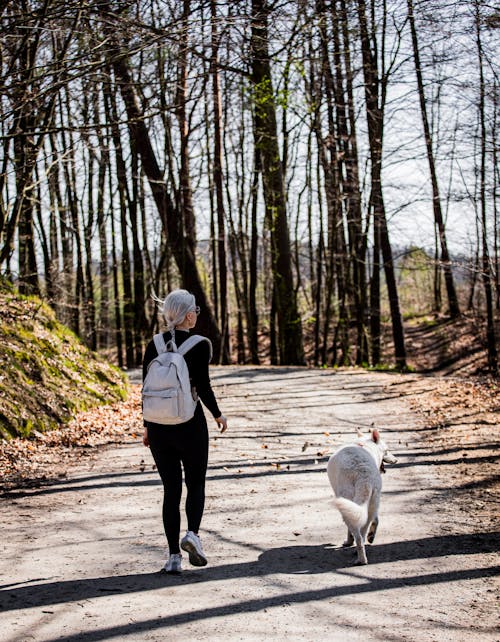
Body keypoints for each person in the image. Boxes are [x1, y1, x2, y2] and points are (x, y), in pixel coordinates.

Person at [142, 289, 227, 574]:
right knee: (196, 483)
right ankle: (192, 535)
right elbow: (202, 386)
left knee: (171, 490)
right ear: (188, 314)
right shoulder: (199, 344)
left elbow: (145, 389)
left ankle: (172, 557)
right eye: (195, 310)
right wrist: (217, 414)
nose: (196, 315)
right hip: (189, 425)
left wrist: (146, 427)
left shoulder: (153, 344)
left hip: (158, 428)